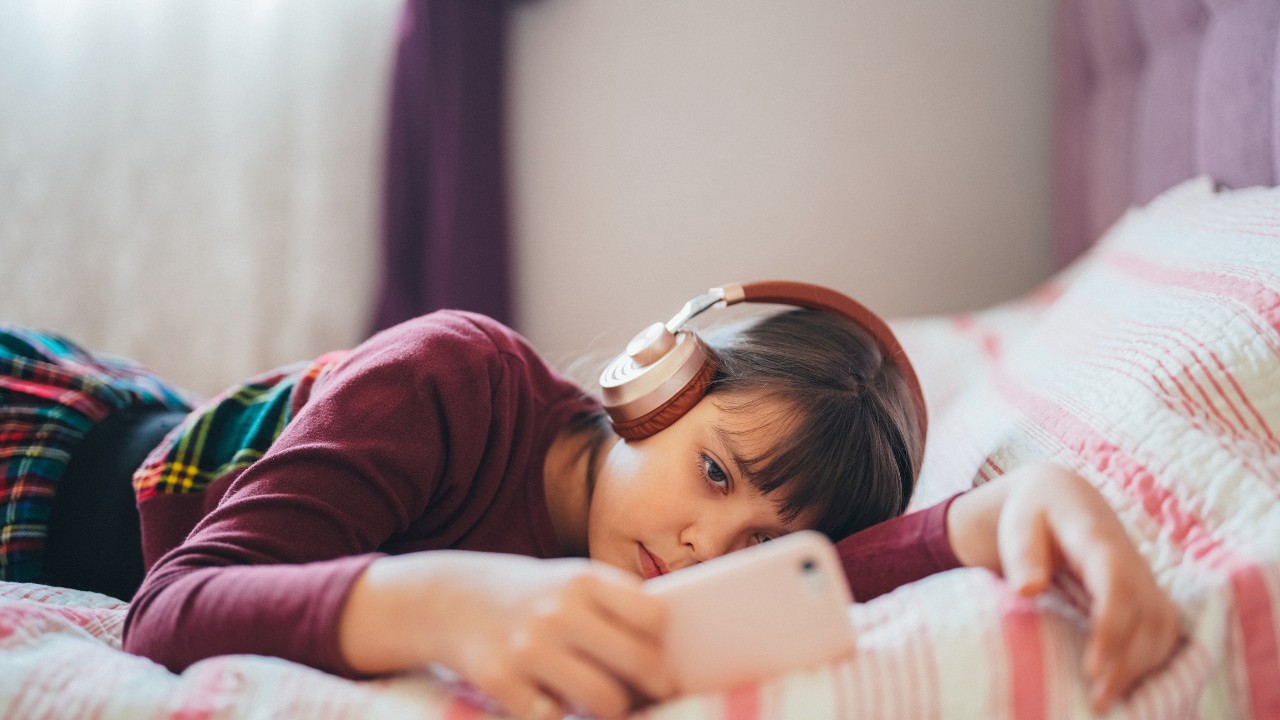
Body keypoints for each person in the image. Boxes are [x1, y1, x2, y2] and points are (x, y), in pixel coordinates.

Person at [0, 283, 1180, 720]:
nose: (703, 547)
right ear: (652, 380)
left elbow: (848, 572)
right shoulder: (451, 378)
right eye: (713, 472)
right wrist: (444, 604)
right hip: (45, 455)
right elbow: (171, 608)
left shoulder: (677, 564)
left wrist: (1020, 504)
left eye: (755, 542)